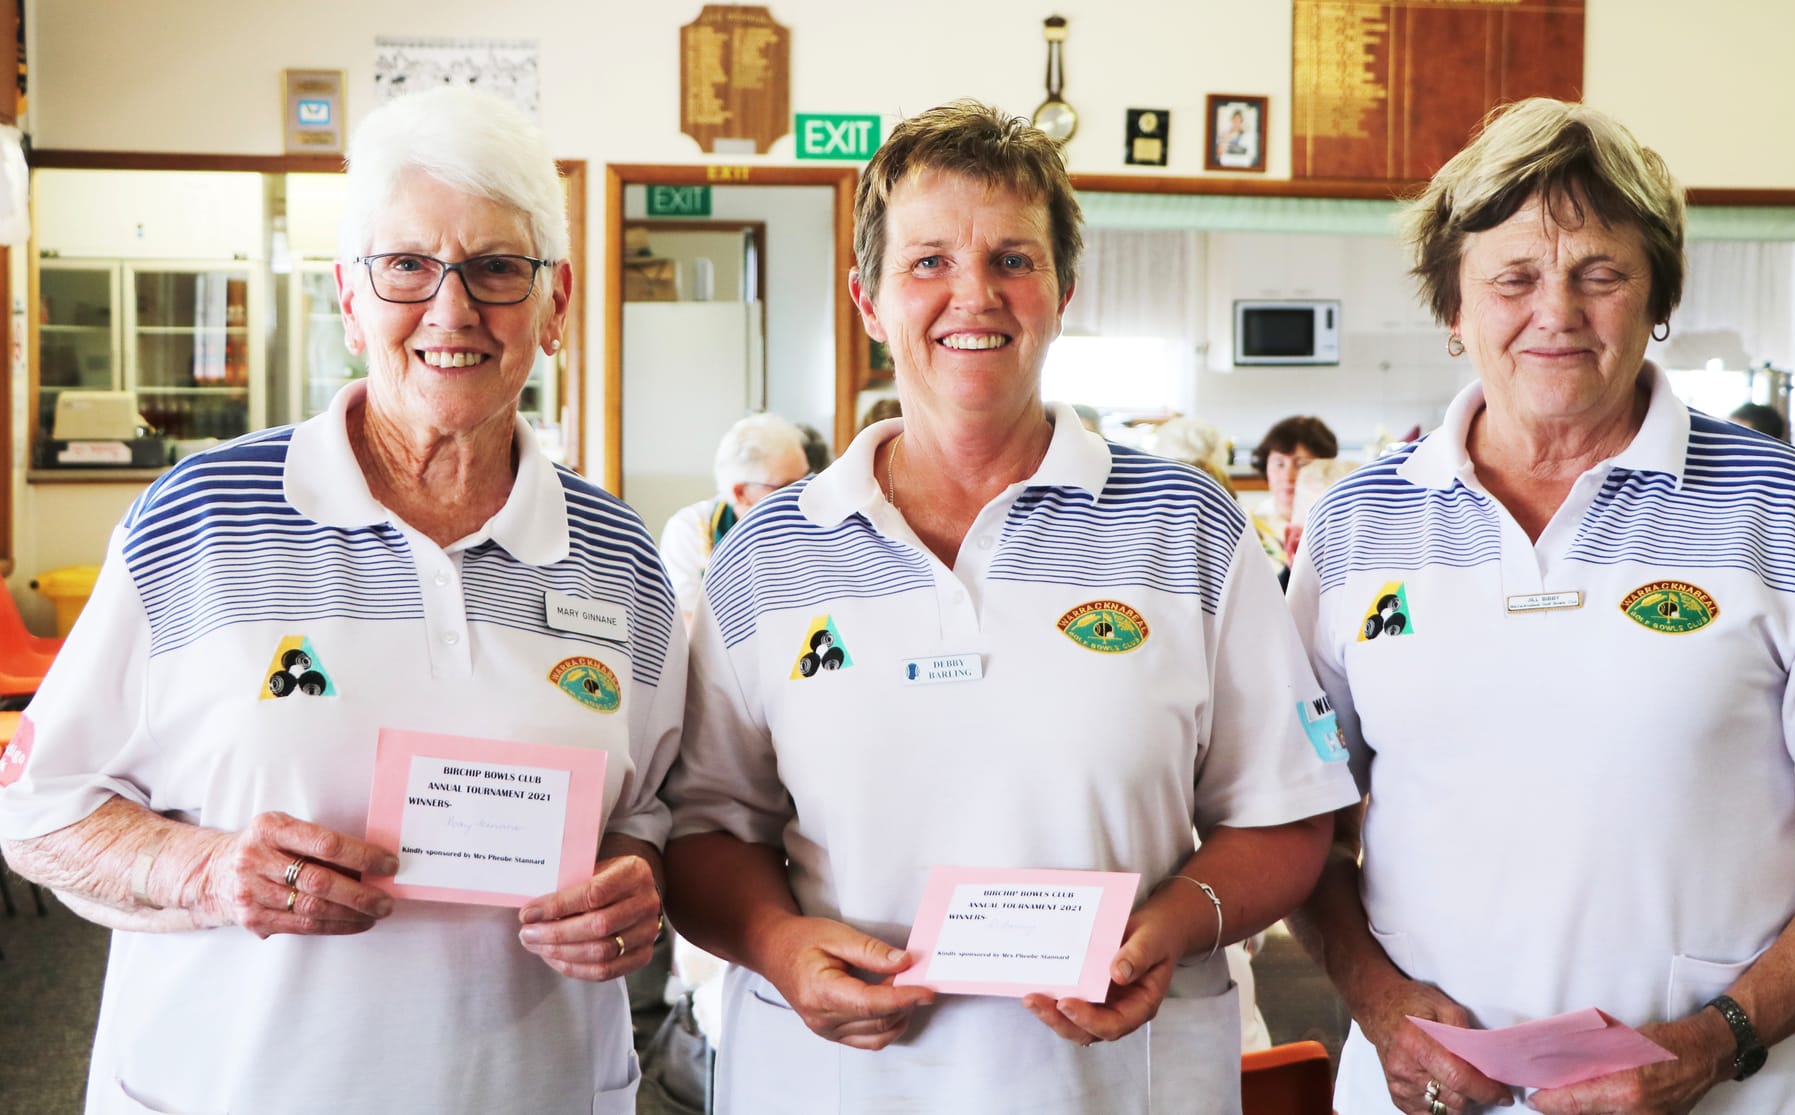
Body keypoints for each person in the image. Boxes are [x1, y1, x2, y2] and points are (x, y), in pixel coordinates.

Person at [660, 100, 1355, 1114]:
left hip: (1116, 1078)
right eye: (927, 260)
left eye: (1011, 258)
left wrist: (1173, 923)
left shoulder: (1187, 529)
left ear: (1062, 288)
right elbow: (704, 829)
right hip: (840, 1082)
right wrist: (772, 938)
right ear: (867, 299)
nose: (971, 294)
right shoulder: (769, 554)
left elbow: (1285, 812)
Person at [0, 87, 685, 1114]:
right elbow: (38, 806)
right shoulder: (198, 517)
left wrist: (635, 882)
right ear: (349, 296)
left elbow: (652, 809)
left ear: (555, 302)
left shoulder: (621, 556)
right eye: (407, 265)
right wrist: (206, 869)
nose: (451, 309)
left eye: (498, 267)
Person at [1287, 97, 1795, 1115]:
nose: (1554, 312)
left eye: (1598, 273)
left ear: (1655, 299)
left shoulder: (1780, 509)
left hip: (1722, 1094)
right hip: (1428, 1092)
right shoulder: (1354, 525)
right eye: (1510, 277)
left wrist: (1712, 1038)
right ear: (1451, 307)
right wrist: (1381, 1005)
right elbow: (1296, 825)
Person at [659, 411, 810, 594]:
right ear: (740, 493)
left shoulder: (815, 524)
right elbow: (689, 618)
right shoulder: (689, 528)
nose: (803, 494)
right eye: (787, 487)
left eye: (806, 480)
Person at [1250, 415, 1338, 580]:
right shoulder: (1247, 526)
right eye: (1279, 464)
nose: (1288, 476)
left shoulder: (1335, 526)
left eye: (1301, 464)